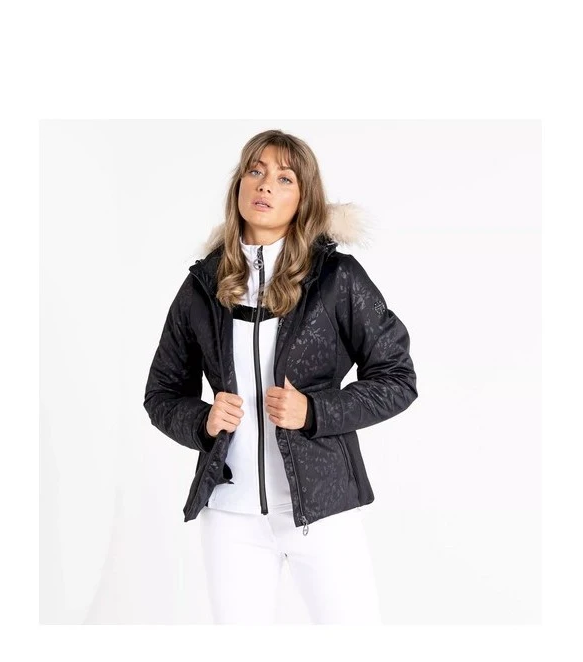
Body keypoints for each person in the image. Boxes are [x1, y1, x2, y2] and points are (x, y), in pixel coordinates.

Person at [143, 129, 418, 625]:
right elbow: (161, 393)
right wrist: (203, 421)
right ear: (239, 186)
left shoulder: (336, 279)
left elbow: (397, 377)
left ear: (304, 198)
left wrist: (314, 411)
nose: (265, 184)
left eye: (284, 178)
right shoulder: (202, 286)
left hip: (324, 509)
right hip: (230, 516)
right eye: (256, 171)